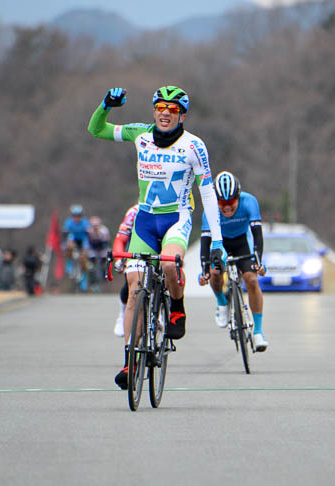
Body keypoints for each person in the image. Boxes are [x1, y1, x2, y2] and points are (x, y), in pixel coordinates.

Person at [88, 85, 226, 389]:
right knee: (134, 288)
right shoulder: (140, 134)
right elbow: (96, 129)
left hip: (177, 218)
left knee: (167, 264)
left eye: (173, 109)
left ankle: (177, 308)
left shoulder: (194, 146)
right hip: (145, 220)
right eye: (161, 107)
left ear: (183, 115)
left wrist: (217, 241)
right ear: (154, 110)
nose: (165, 113)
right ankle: (129, 360)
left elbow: (207, 192)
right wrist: (106, 104)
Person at [198, 171, 269, 351]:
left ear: (238, 197)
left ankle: (258, 332)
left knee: (252, 280)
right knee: (215, 273)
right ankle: (222, 302)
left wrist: (258, 261)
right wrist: (205, 268)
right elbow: (205, 243)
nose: (227, 208)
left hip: (242, 242)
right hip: (219, 244)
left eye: (231, 203)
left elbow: (257, 235)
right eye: (223, 204)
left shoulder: (249, 202)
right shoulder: (210, 209)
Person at [111, 203, 139, 337]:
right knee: (130, 283)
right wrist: (119, 258)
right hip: (134, 251)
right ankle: (123, 312)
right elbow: (120, 239)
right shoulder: (133, 211)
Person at [62, 204, 90, 291]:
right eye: (75, 216)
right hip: (73, 239)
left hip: (83, 240)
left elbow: (88, 235)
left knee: (83, 257)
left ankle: (84, 279)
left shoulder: (85, 222)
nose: (77, 218)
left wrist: (85, 249)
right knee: (69, 246)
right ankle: (69, 264)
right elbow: (66, 233)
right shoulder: (69, 222)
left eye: (78, 216)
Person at [87, 216, 111, 292]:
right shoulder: (88, 231)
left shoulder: (104, 230)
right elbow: (87, 242)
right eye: (93, 226)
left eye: (96, 226)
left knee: (104, 261)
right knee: (91, 266)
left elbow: (107, 242)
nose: (95, 228)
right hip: (93, 249)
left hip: (102, 248)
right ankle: (92, 281)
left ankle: (104, 275)